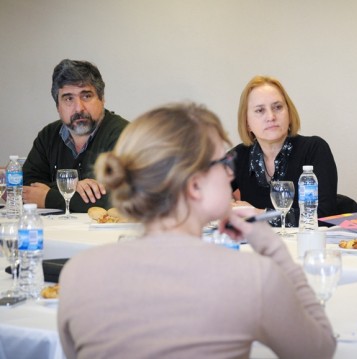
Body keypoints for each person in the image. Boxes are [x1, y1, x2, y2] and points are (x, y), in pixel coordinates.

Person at [57, 103, 336, 358]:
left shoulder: (77, 273)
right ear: (193, 185)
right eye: (224, 163)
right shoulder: (254, 277)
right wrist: (273, 248)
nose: (231, 173)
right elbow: (319, 350)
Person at [22, 59, 128, 212]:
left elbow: (120, 199)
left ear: (102, 99)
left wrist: (49, 197)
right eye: (68, 98)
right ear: (58, 106)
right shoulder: (48, 136)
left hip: (105, 235)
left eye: (86, 96)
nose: (79, 108)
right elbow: (27, 189)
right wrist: (72, 186)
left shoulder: (124, 135)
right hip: (55, 232)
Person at [231, 75, 338, 223]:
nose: (271, 116)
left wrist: (259, 214)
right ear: (247, 123)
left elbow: (323, 215)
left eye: (278, 107)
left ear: (289, 112)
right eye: (260, 110)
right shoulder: (239, 156)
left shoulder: (314, 149)